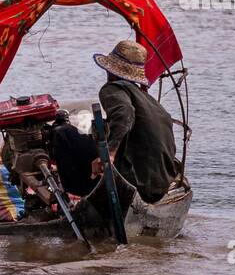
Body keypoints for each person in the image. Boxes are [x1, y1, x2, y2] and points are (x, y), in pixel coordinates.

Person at [90, 39, 179, 203]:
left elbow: (124, 114)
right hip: (162, 183)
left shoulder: (111, 89)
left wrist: (109, 153)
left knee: (66, 136)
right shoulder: (149, 101)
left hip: (139, 184)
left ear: (110, 70)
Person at [46, 110, 99, 198]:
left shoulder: (58, 134)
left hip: (77, 186)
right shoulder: (75, 131)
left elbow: (59, 159)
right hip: (95, 176)